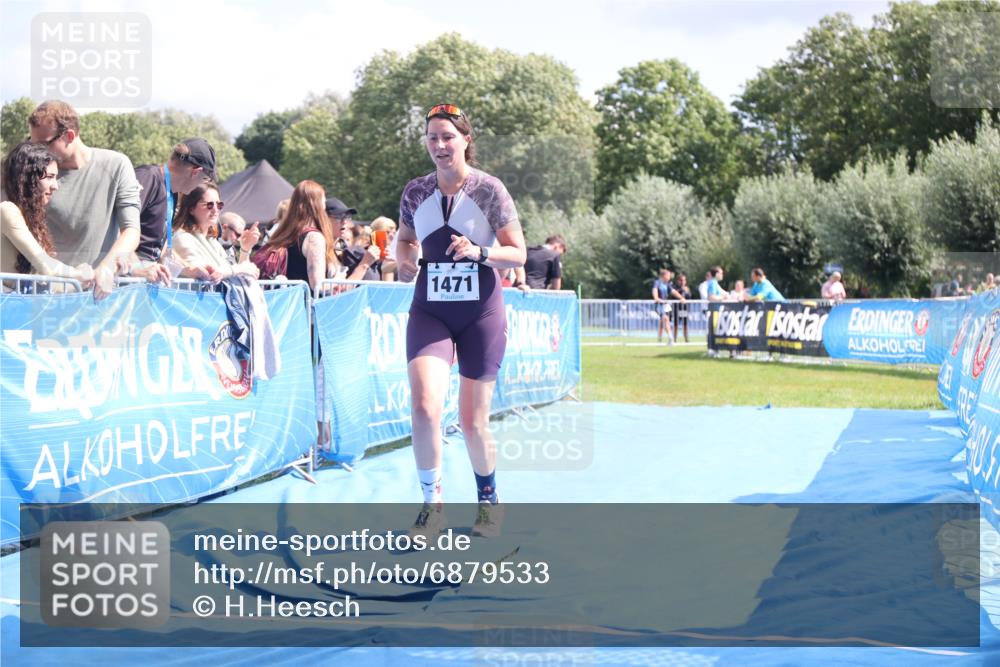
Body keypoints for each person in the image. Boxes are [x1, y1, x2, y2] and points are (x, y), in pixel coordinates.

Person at [395, 103, 526, 538]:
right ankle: (432, 505)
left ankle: (489, 500)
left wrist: (480, 253)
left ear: (466, 139)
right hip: (431, 308)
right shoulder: (415, 191)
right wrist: (404, 259)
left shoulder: (490, 190)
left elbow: (518, 254)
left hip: (481, 313)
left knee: (471, 420)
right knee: (425, 406)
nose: (439, 145)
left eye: (448, 136)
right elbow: (405, 239)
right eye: (432, 137)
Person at [28, 100, 141, 299]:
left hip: (96, 297)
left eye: (42, 144)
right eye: (31, 143)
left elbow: (131, 231)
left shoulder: (116, 165)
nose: (34, 151)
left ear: (69, 136)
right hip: (44, 297)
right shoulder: (30, 172)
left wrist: (106, 268)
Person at [1, 141, 94, 286]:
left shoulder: (31, 218)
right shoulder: (7, 210)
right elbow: (46, 267)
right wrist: (81, 274)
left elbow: (43, 281)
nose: (56, 186)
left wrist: (84, 280)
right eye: (49, 177)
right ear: (27, 178)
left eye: (55, 178)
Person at [134, 139, 217, 263]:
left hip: (144, 275)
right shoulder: (148, 177)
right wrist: (137, 269)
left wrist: (190, 269)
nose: (202, 184)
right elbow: (116, 231)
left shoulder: (171, 194)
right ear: (196, 172)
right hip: (126, 276)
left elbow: (157, 249)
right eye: (205, 178)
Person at [171, 183, 259, 281]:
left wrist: (245, 249)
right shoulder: (182, 238)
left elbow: (236, 276)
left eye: (219, 204)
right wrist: (241, 269)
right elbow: (207, 274)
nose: (216, 210)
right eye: (209, 205)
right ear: (191, 209)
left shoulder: (212, 241)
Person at [652, 268, 684, 344]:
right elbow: (655, 290)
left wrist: (681, 298)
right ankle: (671, 338)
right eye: (668, 275)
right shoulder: (657, 282)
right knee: (665, 320)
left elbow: (673, 292)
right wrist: (656, 297)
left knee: (663, 322)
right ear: (664, 276)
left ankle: (659, 339)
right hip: (659, 305)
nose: (669, 277)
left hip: (665, 305)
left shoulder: (667, 284)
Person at [672, 273, 692, 343]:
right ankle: (674, 340)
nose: (683, 282)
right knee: (676, 325)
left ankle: (686, 340)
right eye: (681, 280)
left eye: (684, 280)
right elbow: (673, 296)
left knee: (685, 325)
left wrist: (686, 291)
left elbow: (689, 298)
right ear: (678, 281)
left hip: (684, 309)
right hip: (677, 309)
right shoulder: (674, 288)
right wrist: (680, 291)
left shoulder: (687, 288)